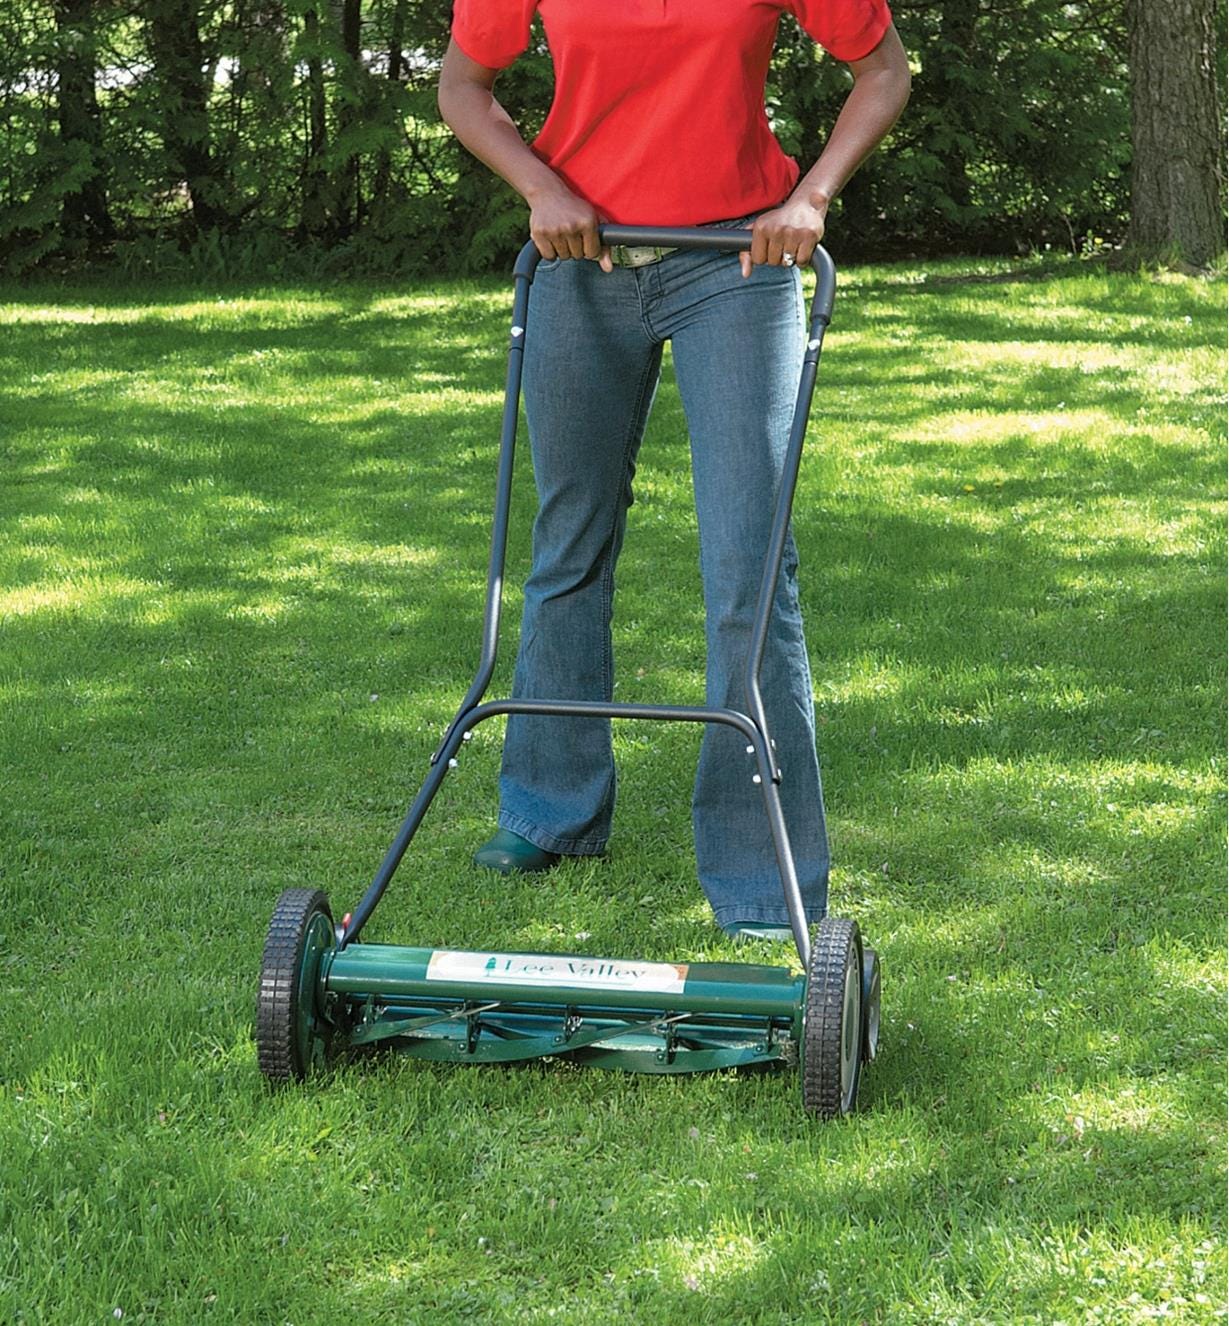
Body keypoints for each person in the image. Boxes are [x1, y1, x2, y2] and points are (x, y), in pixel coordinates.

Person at [438, 0, 910, 940]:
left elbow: (884, 71)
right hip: (579, 259)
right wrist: (539, 188)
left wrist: (809, 196)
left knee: (750, 562)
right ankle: (548, 808)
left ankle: (759, 870)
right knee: (568, 538)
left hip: (735, 265)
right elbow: (463, 87)